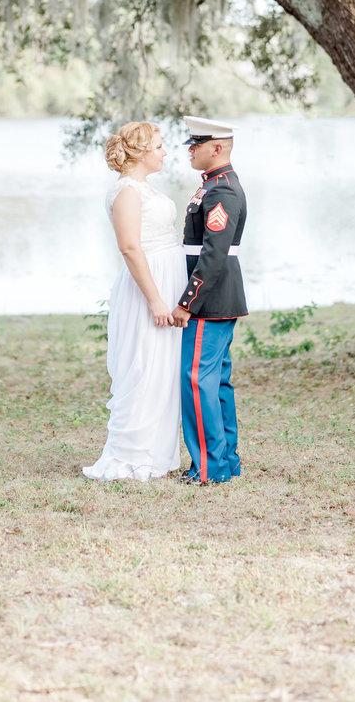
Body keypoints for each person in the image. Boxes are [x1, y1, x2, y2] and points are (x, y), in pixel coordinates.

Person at [82, 122, 186, 482]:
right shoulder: (126, 191)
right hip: (147, 289)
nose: (164, 152)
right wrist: (156, 300)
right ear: (141, 152)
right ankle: (130, 457)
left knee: (164, 371)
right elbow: (129, 247)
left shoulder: (145, 189)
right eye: (158, 146)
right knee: (143, 368)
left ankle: (156, 453)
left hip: (167, 282)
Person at [172, 115, 248, 485]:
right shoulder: (214, 186)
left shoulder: (222, 191)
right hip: (218, 297)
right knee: (215, 380)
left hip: (209, 300)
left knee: (197, 380)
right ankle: (225, 461)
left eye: (196, 144)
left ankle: (209, 468)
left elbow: (213, 255)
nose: (190, 149)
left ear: (217, 148)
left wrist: (188, 301)